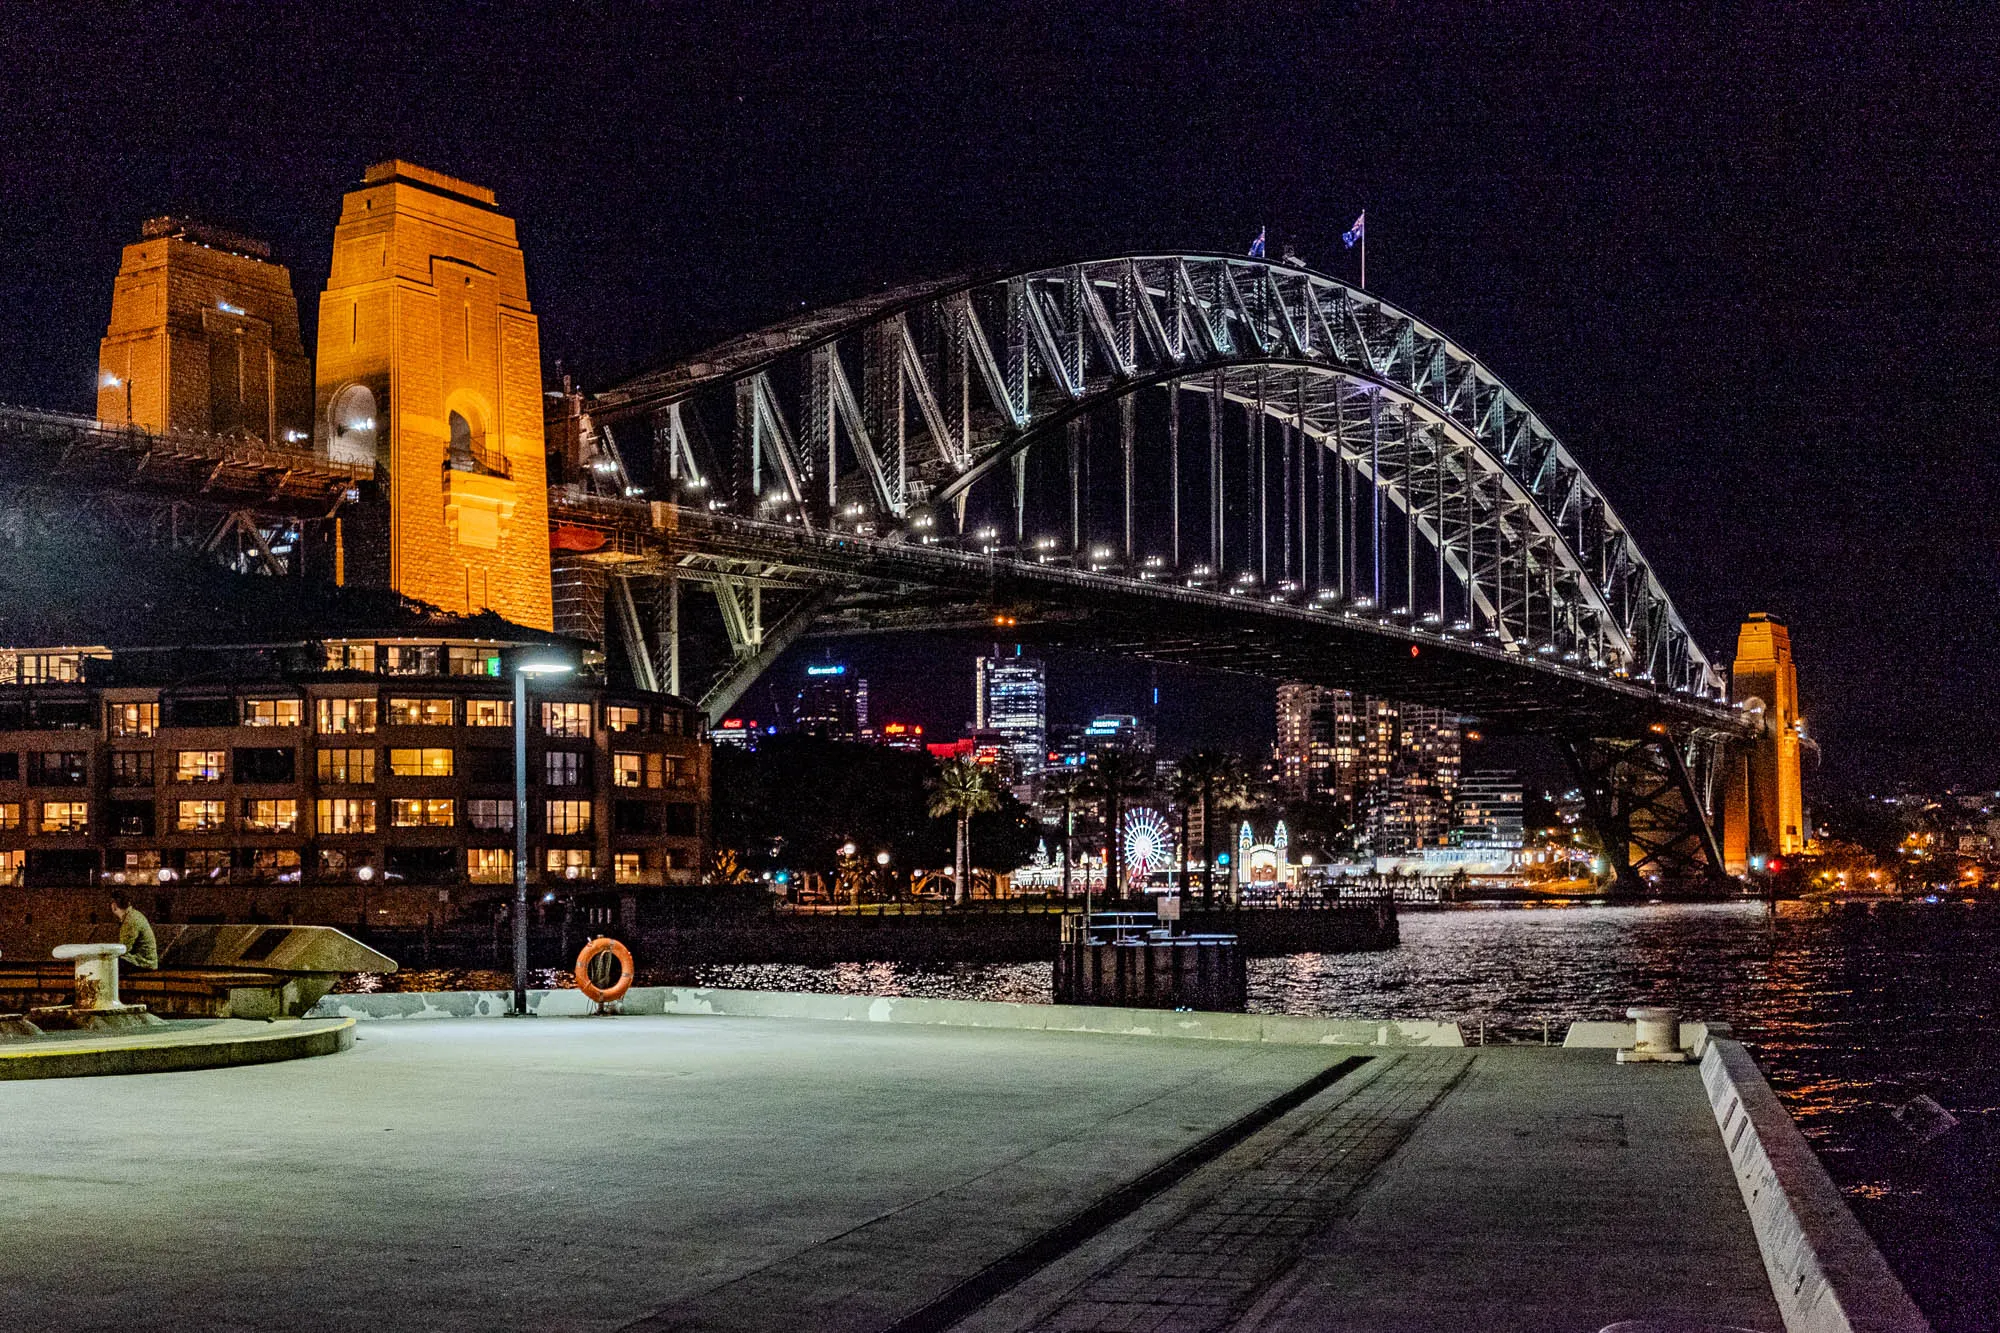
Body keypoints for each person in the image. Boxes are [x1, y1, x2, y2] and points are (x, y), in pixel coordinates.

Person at [109, 890, 158, 970]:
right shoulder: (133, 915)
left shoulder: (130, 920)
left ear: (114, 906)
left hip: (142, 963)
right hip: (144, 961)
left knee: (108, 963)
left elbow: (124, 948)